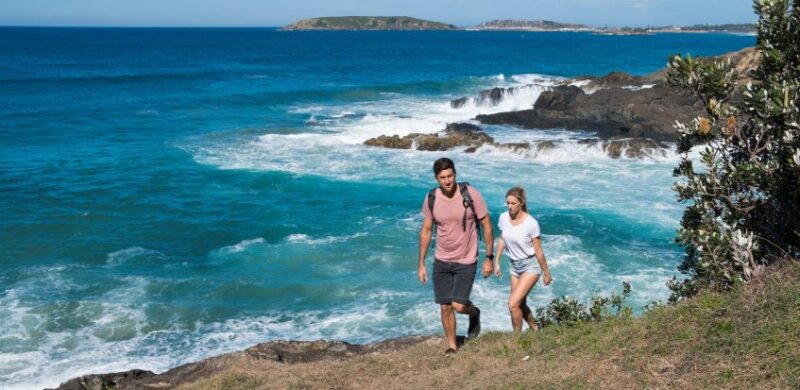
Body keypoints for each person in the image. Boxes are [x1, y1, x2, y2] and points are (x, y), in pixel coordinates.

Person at [418, 157, 494, 355]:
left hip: (466, 259)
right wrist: (421, 263)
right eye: (442, 177)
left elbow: (486, 225)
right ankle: (452, 346)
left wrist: (489, 257)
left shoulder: (471, 194)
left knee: (459, 305)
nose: (447, 181)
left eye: (450, 176)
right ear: (437, 179)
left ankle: (474, 313)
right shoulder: (431, 198)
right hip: (442, 259)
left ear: (455, 174)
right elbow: (426, 230)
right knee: (445, 306)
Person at [493, 186, 552, 332]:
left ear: (521, 203)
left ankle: (517, 339)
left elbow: (538, 250)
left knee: (513, 303)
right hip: (514, 266)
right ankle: (535, 327)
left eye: (513, 203)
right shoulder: (503, 218)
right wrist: (497, 262)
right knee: (519, 304)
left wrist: (546, 272)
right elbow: (502, 239)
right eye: (508, 203)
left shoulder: (531, 224)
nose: (509, 206)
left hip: (530, 266)